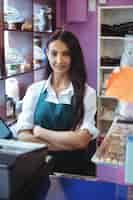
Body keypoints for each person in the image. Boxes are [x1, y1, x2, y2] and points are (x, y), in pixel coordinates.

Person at [17, 30, 99, 175]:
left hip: (75, 172)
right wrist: (69, 143)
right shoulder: (34, 91)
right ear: (47, 53)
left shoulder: (88, 94)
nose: (59, 60)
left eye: (66, 54)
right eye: (54, 53)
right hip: (38, 169)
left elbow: (81, 141)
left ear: (74, 56)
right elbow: (23, 137)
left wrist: (40, 132)